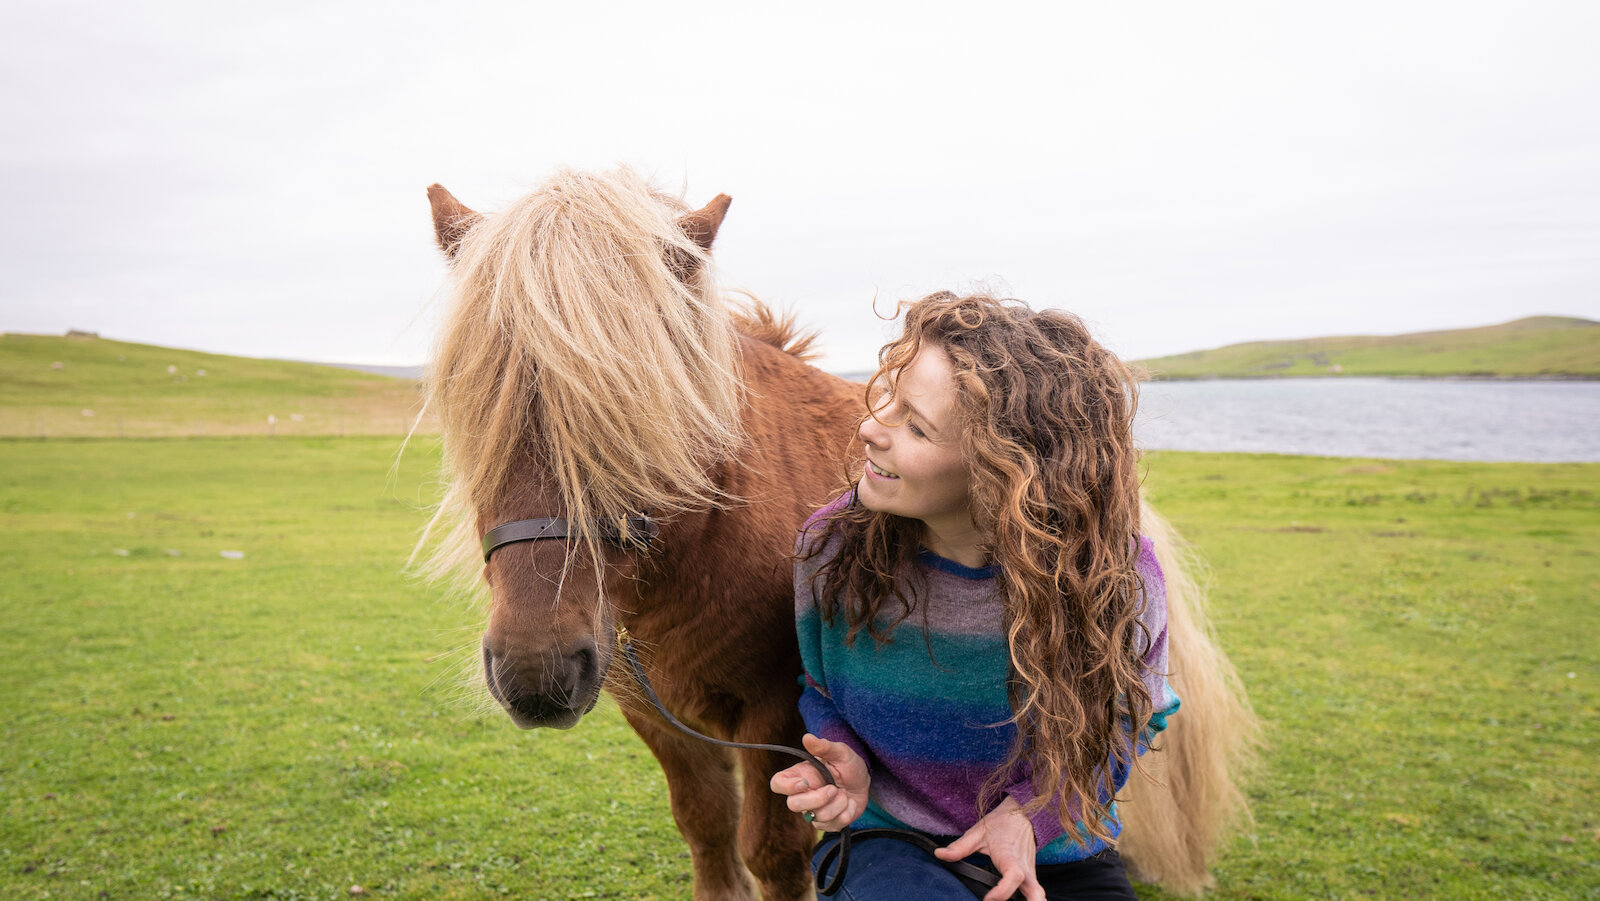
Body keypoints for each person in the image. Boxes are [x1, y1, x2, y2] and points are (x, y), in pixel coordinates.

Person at [770, 292, 1181, 901]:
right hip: (891, 844)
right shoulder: (829, 549)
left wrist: (1027, 818)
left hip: (1058, 848)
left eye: (915, 424)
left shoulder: (1118, 573)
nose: (868, 427)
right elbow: (823, 687)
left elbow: (1123, 721)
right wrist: (845, 761)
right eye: (887, 396)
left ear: (1004, 470)